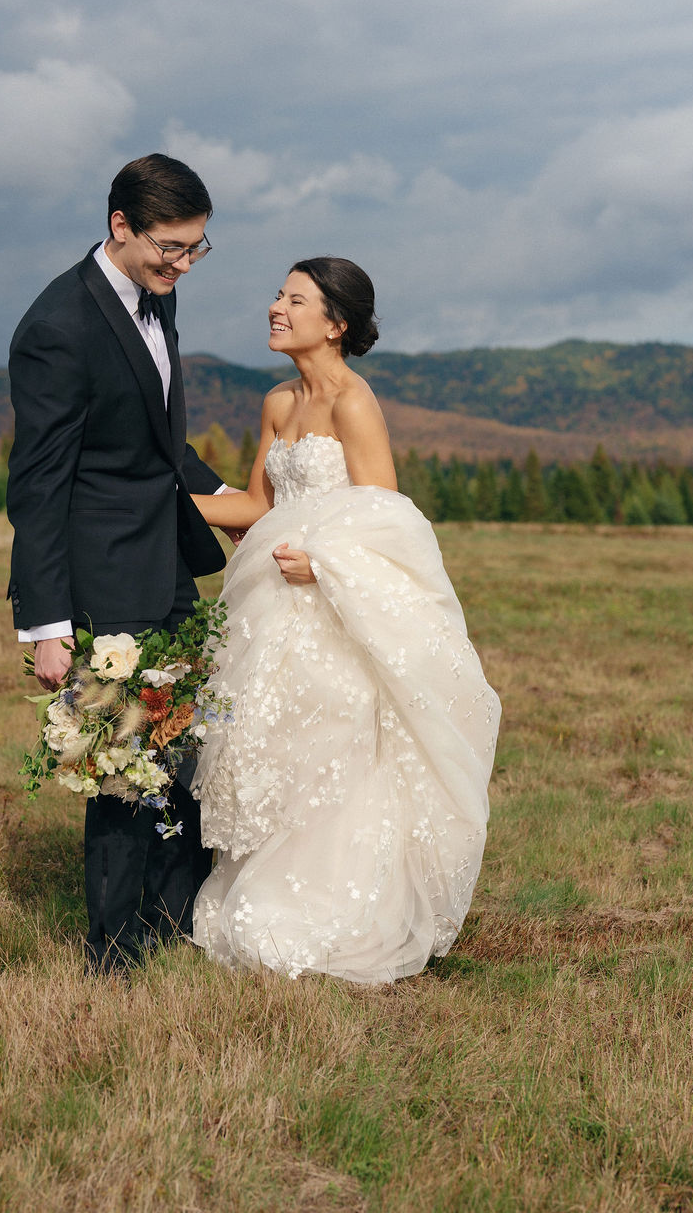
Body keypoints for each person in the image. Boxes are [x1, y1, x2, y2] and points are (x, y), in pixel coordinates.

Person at [187, 257, 501, 984]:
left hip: (329, 608)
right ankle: (256, 891)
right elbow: (258, 508)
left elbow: (389, 522)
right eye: (277, 294)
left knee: (330, 749)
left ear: (336, 325)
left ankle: (333, 912)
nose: (275, 307)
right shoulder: (276, 402)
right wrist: (156, 503)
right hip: (268, 605)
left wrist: (324, 564)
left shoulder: (357, 405)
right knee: (266, 743)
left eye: (294, 300)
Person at [6, 153, 233, 972]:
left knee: (184, 754)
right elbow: (37, 484)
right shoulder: (57, 327)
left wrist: (233, 498)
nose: (182, 264)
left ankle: (177, 923)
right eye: (170, 248)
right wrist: (46, 624)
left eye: (196, 249)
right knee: (119, 765)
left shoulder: (154, 298)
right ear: (120, 227)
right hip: (99, 578)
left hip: (165, 564)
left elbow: (161, 446)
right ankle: (114, 950)